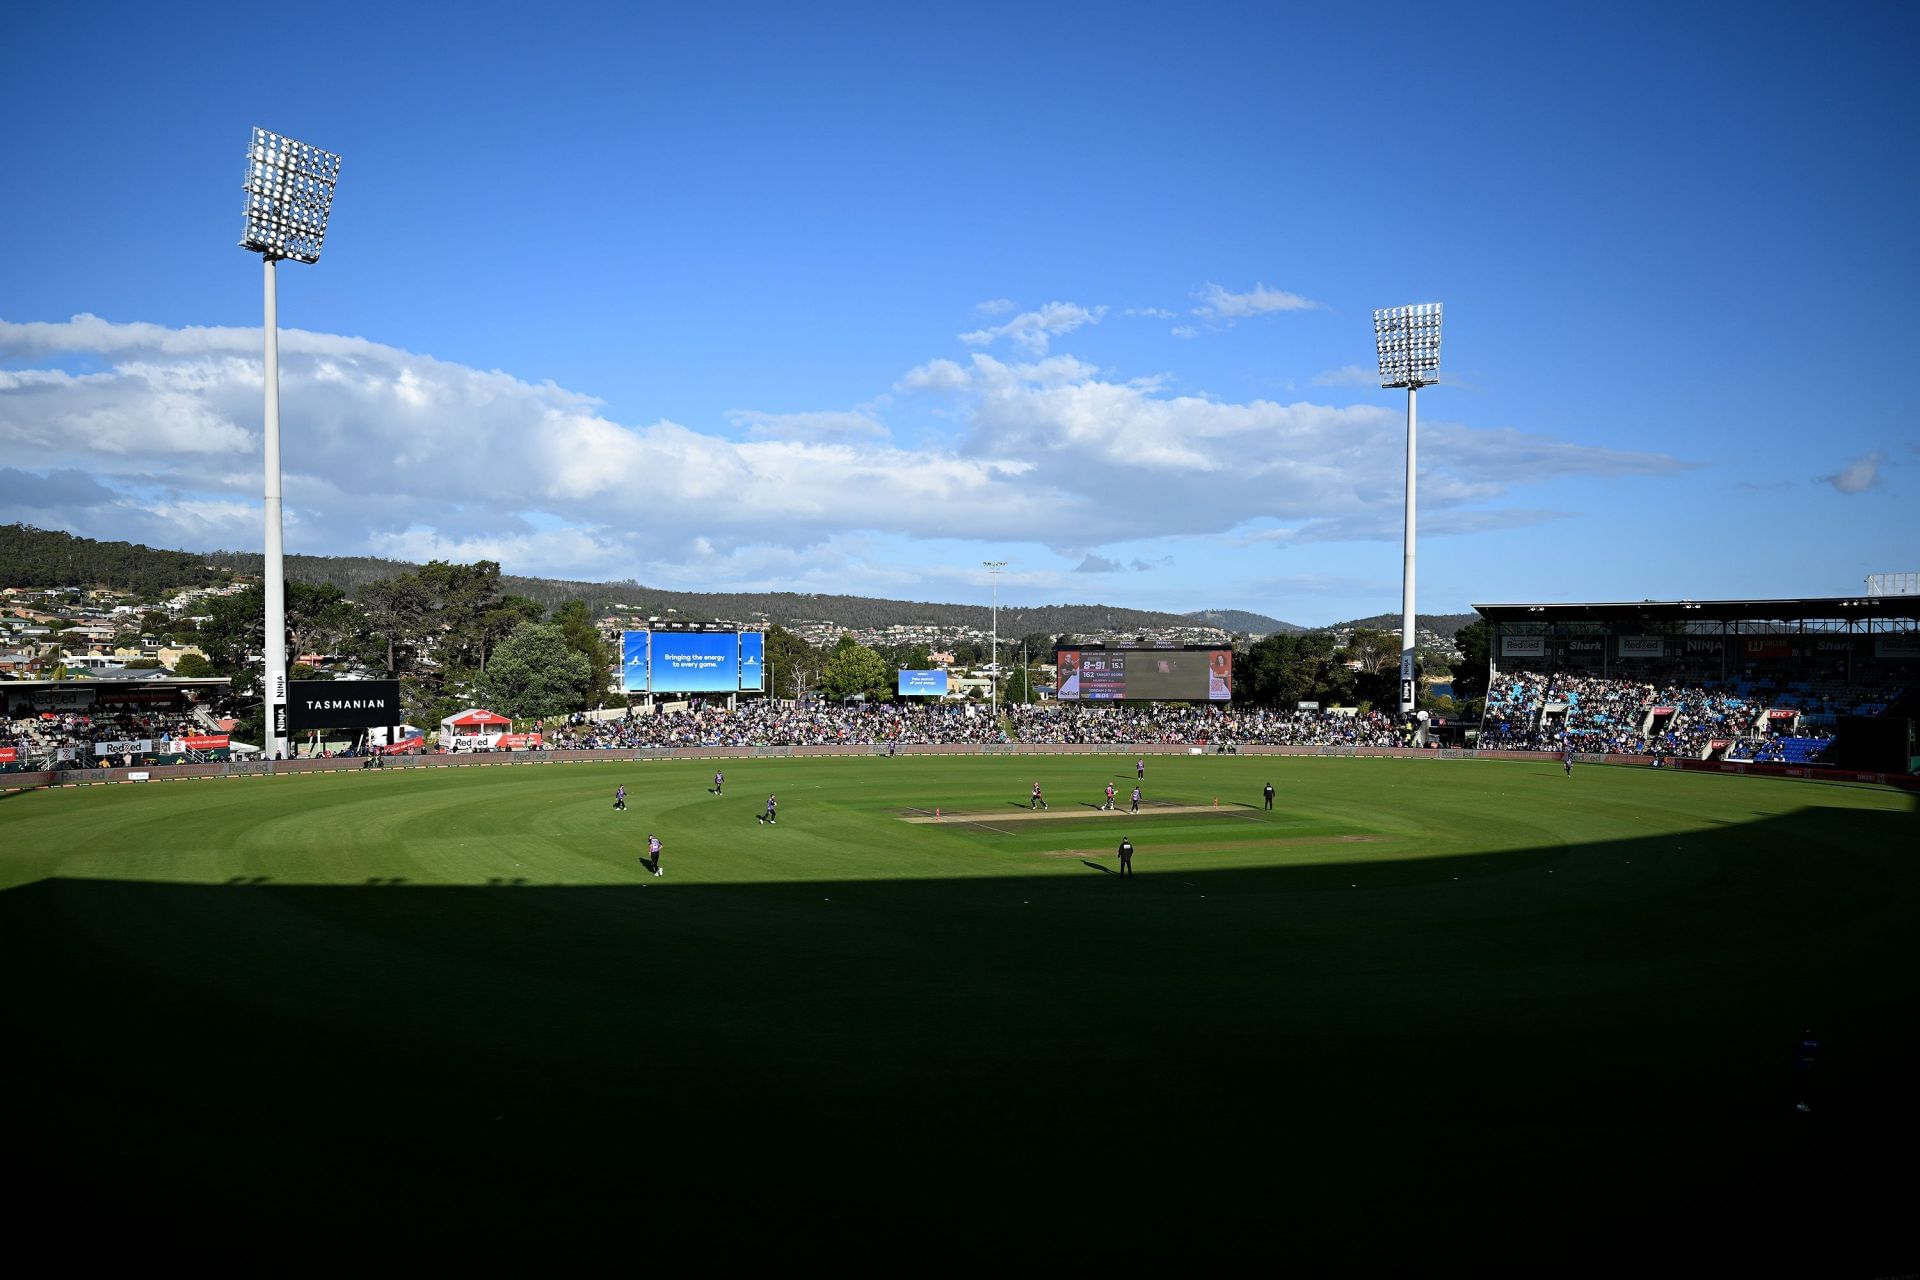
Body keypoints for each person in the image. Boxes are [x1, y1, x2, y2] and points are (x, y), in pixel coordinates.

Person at [1794, 1030, 1818, 1112]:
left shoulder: (1803, 1043)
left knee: (1802, 1085)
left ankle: (1803, 1103)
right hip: (1810, 1067)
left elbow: (1797, 1053)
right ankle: (1805, 1103)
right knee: (1807, 1086)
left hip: (1802, 1067)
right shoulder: (1815, 1043)